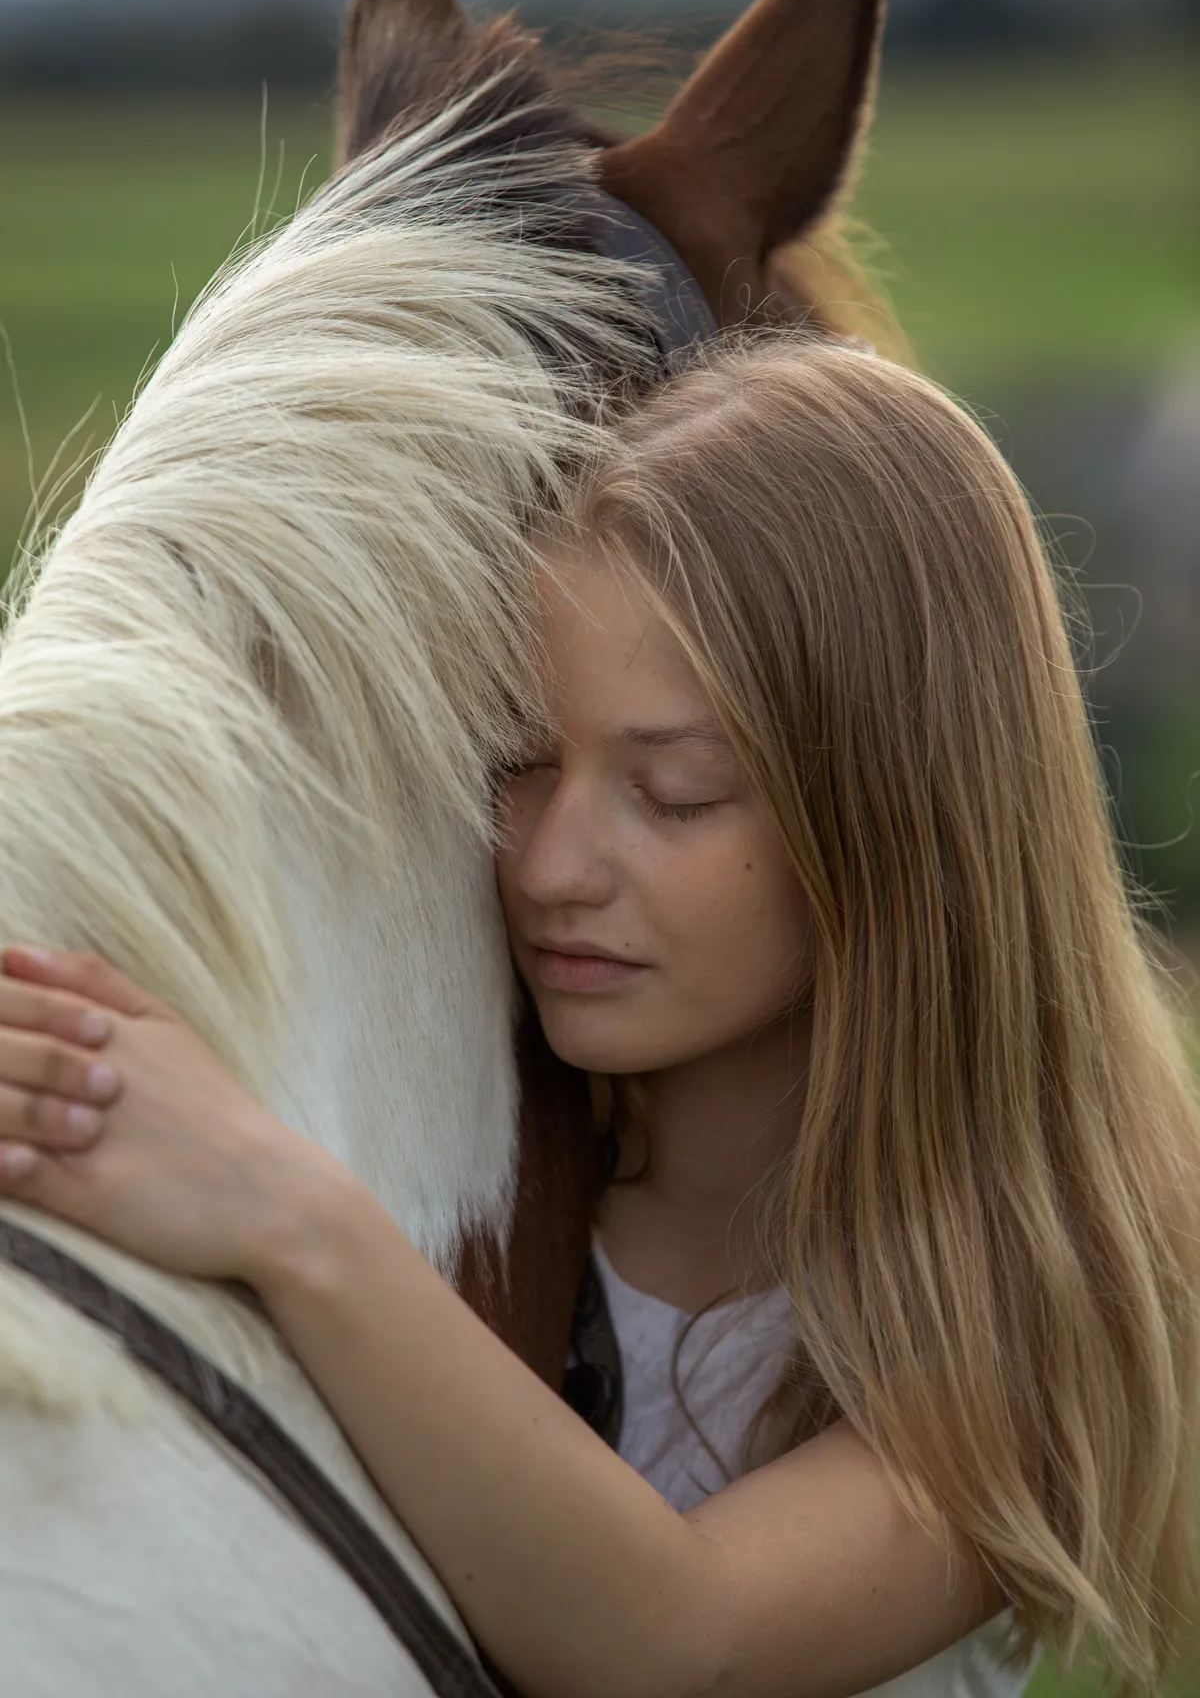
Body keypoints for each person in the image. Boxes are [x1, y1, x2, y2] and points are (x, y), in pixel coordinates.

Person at [0, 339, 1195, 1698]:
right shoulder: (469, 1166)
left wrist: (290, 1218)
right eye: (522, 765)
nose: (555, 867)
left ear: (895, 825)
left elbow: (676, 1641)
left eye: (675, 792)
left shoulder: (1036, 1306)